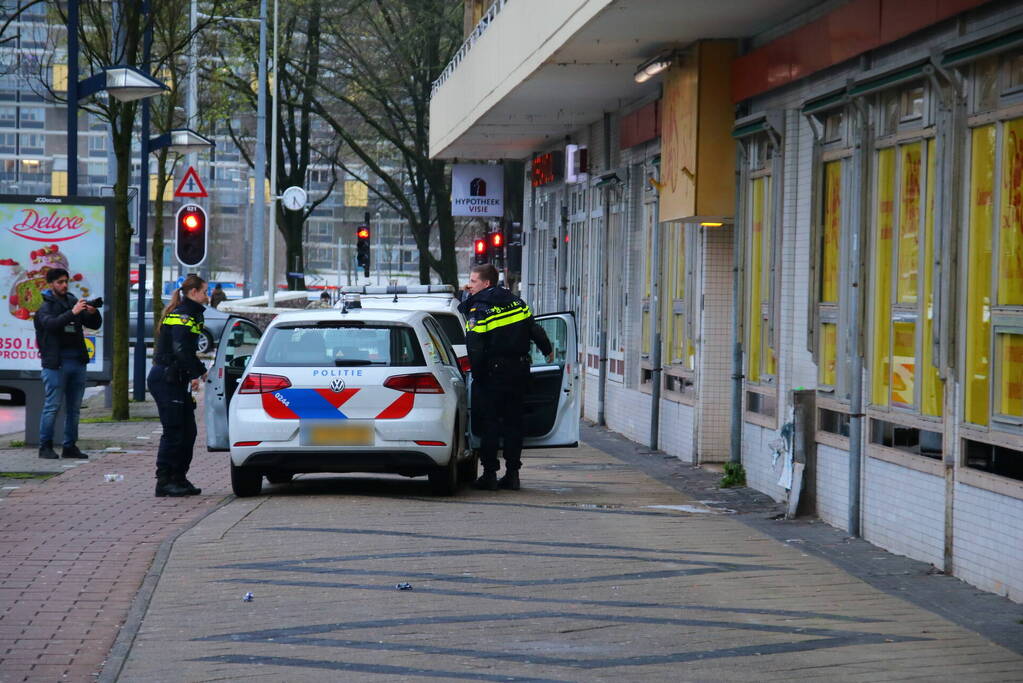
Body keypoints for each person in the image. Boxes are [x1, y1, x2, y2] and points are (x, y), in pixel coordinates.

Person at [458, 264, 553, 491]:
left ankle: (489, 474)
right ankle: (512, 474)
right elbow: (535, 329)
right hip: (519, 371)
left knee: (490, 423)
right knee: (513, 424)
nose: (469, 285)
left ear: (486, 283)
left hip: (492, 374)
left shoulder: (480, 309)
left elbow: (475, 346)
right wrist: (547, 350)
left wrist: (477, 376)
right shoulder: (517, 302)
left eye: (473, 281)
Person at [148, 274, 209, 497]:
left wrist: (193, 373)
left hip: (177, 378)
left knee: (188, 431)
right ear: (193, 292)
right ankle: (164, 481)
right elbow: (181, 349)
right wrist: (199, 372)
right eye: (204, 291)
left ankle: (179, 477)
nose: (207, 296)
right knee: (174, 431)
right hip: (166, 378)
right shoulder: (183, 315)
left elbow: (186, 351)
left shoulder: (192, 313)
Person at [34, 268, 102, 460]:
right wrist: (72, 312)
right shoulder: (45, 307)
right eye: (60, 282)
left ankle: (70, 446)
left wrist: (92, 313)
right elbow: (51, 325)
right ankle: (45, 446)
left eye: (66, 281)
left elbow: (94, 324)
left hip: (77, 362)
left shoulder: (73, 301)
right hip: (56, 364)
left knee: (74, 408)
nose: (64, 285)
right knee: (52, 406)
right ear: (51, 284)